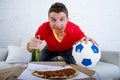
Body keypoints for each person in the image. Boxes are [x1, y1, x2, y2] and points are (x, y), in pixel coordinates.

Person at [27, 2, 98, 64]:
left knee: (78, 65)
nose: (58, 24)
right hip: (49, 50)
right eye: (53, 20)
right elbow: (33, 46)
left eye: (62, 19)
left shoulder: (74, 29)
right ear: (49, 20)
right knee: (33, 63)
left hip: (68, 50)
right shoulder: (43, 28)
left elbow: (84, 40)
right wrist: (29, 47)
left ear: (67, 20)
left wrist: (88, 42)